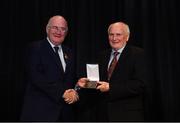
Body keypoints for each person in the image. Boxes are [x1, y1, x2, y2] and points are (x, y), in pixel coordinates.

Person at [76, 22, 147, 121]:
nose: (114, 38)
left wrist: (111, 87)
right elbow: (99, 84)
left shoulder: (138, 54)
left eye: (118, 34)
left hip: (128, 116)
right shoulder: (102, 55)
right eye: (111, 34)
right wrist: (86, 84)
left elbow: (140, 84)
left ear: (127, 37)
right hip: (103, 115)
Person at [20, 15, 79, 122]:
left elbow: (69, 79)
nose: (59, 31)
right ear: (47, 29)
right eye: (55, 27)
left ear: (66, 32)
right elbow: (36, 78)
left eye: (63, 29)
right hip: (40, 113)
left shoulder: (69, 52)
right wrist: (63, 92)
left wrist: (76, 88)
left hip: (65, 113)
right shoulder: (35, 48)